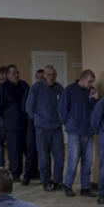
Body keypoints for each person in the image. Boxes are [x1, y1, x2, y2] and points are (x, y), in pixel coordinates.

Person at [59, 69, 98, 197]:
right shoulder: (69, 90)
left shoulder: (90, 91)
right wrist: (70, 123)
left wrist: (95, 99)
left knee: (88, 160)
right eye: (90, 81)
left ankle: (85, 188)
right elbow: (62, 110)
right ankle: (68, 185)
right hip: (75, 131)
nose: (91, 84)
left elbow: (95, 110)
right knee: (73, 159)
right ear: (82, 78)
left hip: (88, 131)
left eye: (93, 81)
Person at [26, 64, 64, 192]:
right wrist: (38, 119)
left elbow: (63, 106)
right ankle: (46, 181)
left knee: (59, 157)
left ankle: (58, 181)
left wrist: (61, 119)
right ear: (44, 75)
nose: (51, 77)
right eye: (48, 74)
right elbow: (29, 107)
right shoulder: (36, 88)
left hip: (56, 128)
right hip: (41, 128)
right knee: (43, 157)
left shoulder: (59, 88)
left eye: (53, 75)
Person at [0, 65, 32, 184]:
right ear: (7, 75)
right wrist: (8, 116)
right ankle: (15, 174)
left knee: (29, 149)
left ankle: (30, 173)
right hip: (12, 125)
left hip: (26, 123)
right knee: (14, 151)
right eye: (14, 73)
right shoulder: (2, 88)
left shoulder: (24, 85)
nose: (16, 75)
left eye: (17, 72)